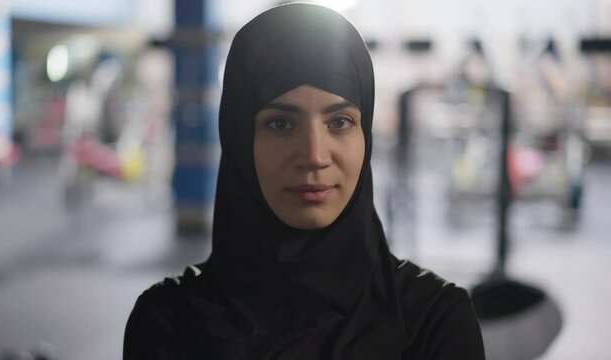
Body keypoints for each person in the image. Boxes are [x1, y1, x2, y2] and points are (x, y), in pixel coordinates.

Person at [123, 3, 485, 359]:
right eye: (281, 124)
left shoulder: (433, 322)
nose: (314, 154)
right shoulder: (169, 324)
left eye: (339, 122)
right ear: (238, 138)